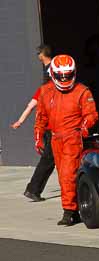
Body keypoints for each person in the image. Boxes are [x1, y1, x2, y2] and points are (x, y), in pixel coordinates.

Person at [35, 54, 98, 225]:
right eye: (61, 75)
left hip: (72, 137)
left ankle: (69, 211)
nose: (64, 79)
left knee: (67, 175)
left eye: (67, 75)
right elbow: (41, 116)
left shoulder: (82, 91)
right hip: (55, 138)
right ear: (53, 74)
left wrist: (85, 125)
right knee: (63, 176)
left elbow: (91, 114)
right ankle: (75, 208)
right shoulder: (46, 92)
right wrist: (38, 136)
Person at [11, 44, 54, 202]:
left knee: (50, 160)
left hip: (51, 127)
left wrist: (19, 121)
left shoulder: (44, 87)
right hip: (54, 128)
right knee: (49, 160)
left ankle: (33, 189)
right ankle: (33, 189)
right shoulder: (47, 89)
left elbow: (30, 106)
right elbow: (32, 105)